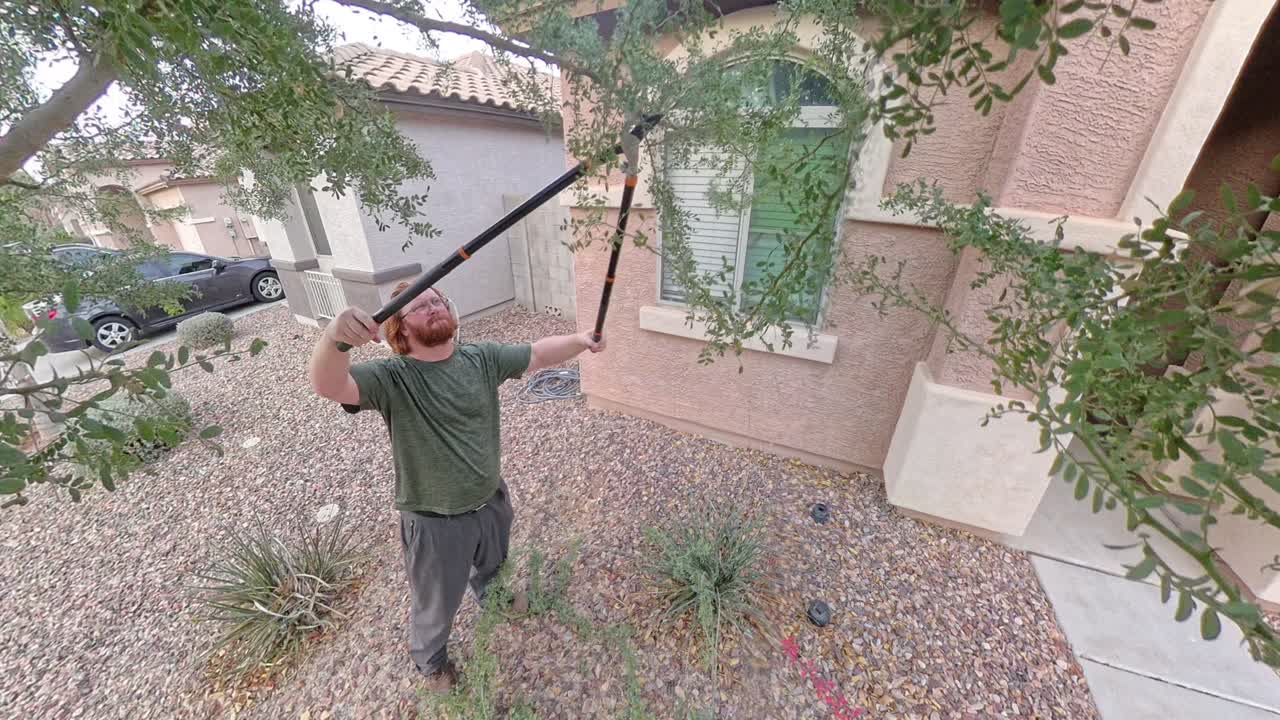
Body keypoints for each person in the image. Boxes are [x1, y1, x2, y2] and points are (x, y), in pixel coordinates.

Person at [308, 282, 605, 692]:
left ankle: (495, 599)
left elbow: (536, 353)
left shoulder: (480, 359)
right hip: (436, 521)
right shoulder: (393, 378)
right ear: (400, 328)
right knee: (436, 603)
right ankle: (431, 664)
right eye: (419, 307)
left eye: (436, 300)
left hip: (490, 500)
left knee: (494, 566)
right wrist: (334, 340)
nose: (432, 307)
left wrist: (581, 340)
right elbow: (328, 385)